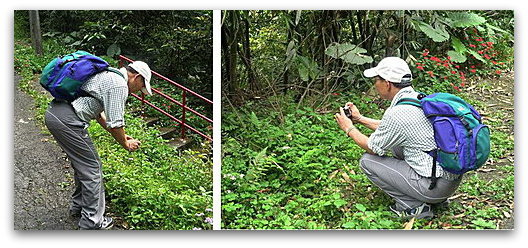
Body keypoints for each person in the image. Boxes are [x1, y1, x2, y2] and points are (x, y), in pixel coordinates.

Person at [334, 57, 462, 219]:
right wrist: (359, 119)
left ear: (387, 83)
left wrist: (348, 128)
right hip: (447, 182)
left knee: (367, 161)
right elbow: (391, 128)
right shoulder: (418, 99)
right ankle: (433, 198)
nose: (375, 84)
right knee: (396, 145)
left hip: (434, 188)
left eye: (376, 80)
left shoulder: (398, 113)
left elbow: (372, 147)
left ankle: (413, 206)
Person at [44, 61, 152, 229]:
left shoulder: (109, 74)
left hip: (56, 113)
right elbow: (116, 123)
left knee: (83, 166)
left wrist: (121, 136)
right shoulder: (119, 85)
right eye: (141, 87)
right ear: (137, 77)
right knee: (93, 168)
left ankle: (79, 207)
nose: (139, 91)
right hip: (68, 120)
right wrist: (125, 143)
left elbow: (100, 116)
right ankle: (92, 222)